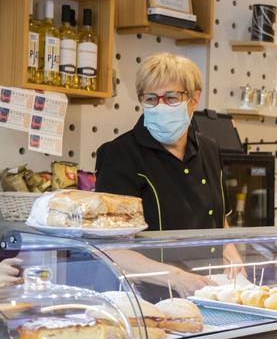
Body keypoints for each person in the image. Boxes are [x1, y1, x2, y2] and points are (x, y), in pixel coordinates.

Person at [95, 53, 240, 294]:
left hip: (209, 289)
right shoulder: (120, 154)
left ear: (194, 99)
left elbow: (218, 219)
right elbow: (109, 246)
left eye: (171, 97)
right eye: (151, 99)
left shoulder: (209, 149)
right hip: (146, 295)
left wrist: (230, 250)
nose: (160, 106)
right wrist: (174, 277)